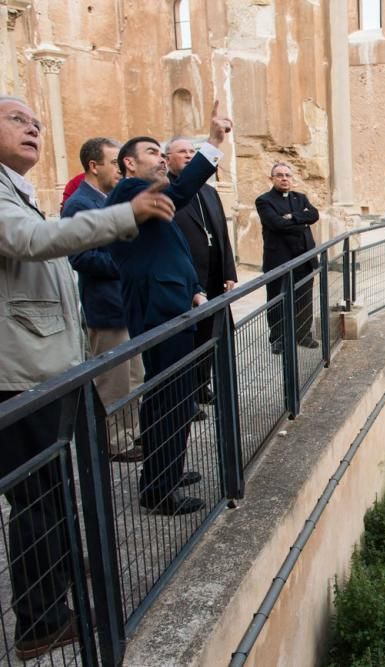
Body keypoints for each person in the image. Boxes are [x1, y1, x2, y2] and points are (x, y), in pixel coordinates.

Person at [0, 95, 174, 659]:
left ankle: (55, 605)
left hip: (42, 369)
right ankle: (41, 620)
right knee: (36, 502)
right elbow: (32, 243)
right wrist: (125, 216)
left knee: (49, 497)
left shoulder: (17, 191)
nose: (33, 128)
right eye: (17, 119)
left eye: (37, 122)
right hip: (20, 375)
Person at [106, 100, 233, 517]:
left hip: (176, 307)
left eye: (163, 154)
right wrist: (212, 143)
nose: (161, 159)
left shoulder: (154, 205)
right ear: (128, 164)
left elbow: (175, 251)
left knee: (176, 398)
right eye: (152, 153)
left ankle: (167, 472)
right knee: (170, 399)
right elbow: (178, 191)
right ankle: (159, 488)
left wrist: (196, 290)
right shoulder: (129, 192)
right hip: (159, 312)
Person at [65, 137, 145, 463]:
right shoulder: (79, 204)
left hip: (126, 304)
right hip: (106, 306)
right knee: (114, 380)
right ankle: (116, 443)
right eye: (114, 162)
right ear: (93, 166)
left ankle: (132, 433)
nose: (120, 168)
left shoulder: (109, 198)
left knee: (134, 375)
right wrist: (127, 264)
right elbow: (82, 257)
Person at [164, 137, 237, 405]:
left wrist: (229, 271)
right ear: (167, 158)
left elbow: (221, 234)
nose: (188, 155)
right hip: (189, 280)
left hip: (216, 276)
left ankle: (203, 385)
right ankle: (189, 396)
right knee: (191, 339)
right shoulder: (167, 191)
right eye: (181, 151)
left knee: (213, 334)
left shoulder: (209, 191)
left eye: (192, 152)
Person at [255, 163, 320, 354]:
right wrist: (302, 220)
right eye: (280, 175)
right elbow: (276, 224)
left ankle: (303, 335)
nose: (284, 179)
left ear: (292, 179)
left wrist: (290, 217)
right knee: (277, 299)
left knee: (304, 297)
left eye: (288, 175)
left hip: (304, 257)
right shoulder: (264, 201)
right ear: (272, 179)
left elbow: (314, 215)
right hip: (279, 260)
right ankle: (278, 338)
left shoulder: (300, 198)